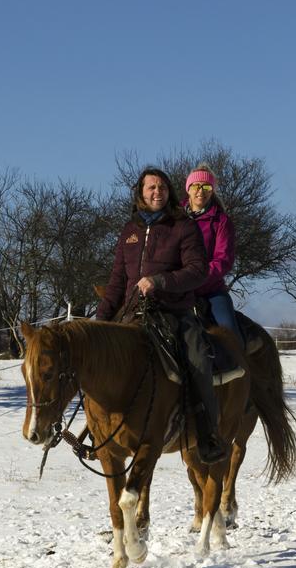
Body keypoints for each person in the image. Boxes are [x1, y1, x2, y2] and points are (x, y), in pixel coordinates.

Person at [94, 167, 227, 463]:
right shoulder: (130, 230)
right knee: (98, 361)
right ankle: (98, 428)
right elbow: (117, 281)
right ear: (140, 192)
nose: (157, 192)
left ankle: (207, 433)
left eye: (162, 187)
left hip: (174, 312)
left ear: (169, 192)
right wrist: (100, 322)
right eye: (151, 187)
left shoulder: (183, 226)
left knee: (197, 358)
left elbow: (197, 270)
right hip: (132, 316)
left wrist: (160, 281)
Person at [183, 164, 242, 347]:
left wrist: (196, 278)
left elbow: (223, 260)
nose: (201, 191)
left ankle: (240, 369)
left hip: (211, 291)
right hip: (176, 289)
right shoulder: (174, 217)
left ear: (212, 191)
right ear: (188, 189)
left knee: (231, 335)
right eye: (196, 186)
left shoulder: (222, 221)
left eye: (206, 187)